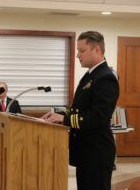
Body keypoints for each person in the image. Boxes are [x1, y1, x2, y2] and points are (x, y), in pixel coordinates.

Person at [42, 31, 119, 190]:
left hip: (97, 152)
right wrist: (60, 115)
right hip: (86, 151)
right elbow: (80, 109)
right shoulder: (91, 75)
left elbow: (98, 116)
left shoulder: (105, 77)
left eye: (82, 51)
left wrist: (64, 120)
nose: (77, 55)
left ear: (96, 50)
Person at [0, 81, 21, 167]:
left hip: (11, 126)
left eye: (2, 89)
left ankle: (13, 157)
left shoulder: (14, 102)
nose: (1, 91)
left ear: (6, 90)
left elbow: (20, 116)